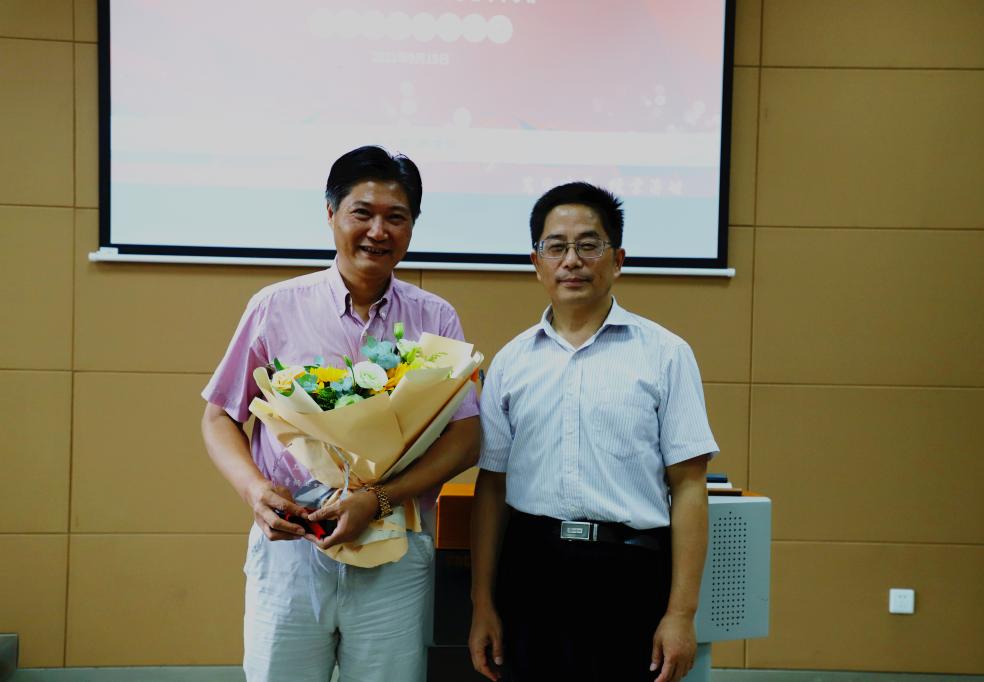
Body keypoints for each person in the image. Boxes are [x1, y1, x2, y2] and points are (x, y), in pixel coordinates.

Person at [200, 145, 481, 682]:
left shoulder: (436, 318)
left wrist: (378, 497)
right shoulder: (275, 307)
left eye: (396, 217)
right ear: (331, 214)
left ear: (413, 226)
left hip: (395, 545)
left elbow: (466, 436)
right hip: (291, 541)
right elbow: (219, 418)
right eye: (362, 213)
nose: (378, 231)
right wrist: (255, 491)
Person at [468, 182, 718, 682]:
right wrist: (482, 604)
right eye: (556, 247)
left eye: (589, 245)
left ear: (618, 259)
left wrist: (681, 614)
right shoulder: (511, 362)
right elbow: (491, 486)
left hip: (630, 573)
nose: (572, 261)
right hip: (532, 569)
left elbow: (690, 486)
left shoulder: (666, 354)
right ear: (536, 262)